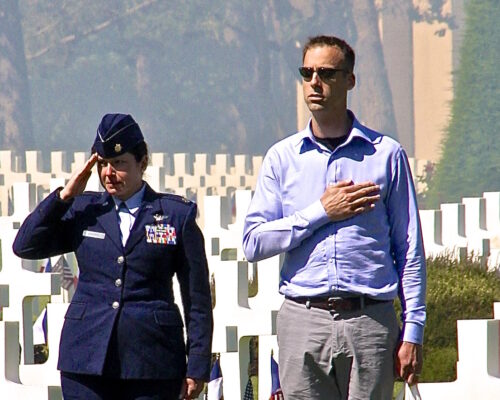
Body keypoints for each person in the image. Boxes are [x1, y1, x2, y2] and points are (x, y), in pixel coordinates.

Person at [243, 35, 426, 399]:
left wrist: (413, 329)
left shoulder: (386, 155)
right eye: (307, 72)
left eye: (326, 73)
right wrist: (320, 212)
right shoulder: (282, 158)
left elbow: (409, 248)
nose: (314, 82)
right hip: (303, 317)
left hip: (369, 319)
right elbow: (253, 242)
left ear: (349, 80)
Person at [13, 113, 213, 400]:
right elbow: (25, 246)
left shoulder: (175, 216)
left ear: (142, 162)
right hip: (86, 357)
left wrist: (197, 365)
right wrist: (64, 196)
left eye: (119, 163)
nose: (109, 173)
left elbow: (197, 297)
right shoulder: (84, 211)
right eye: (103, 164)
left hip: (152, 361)